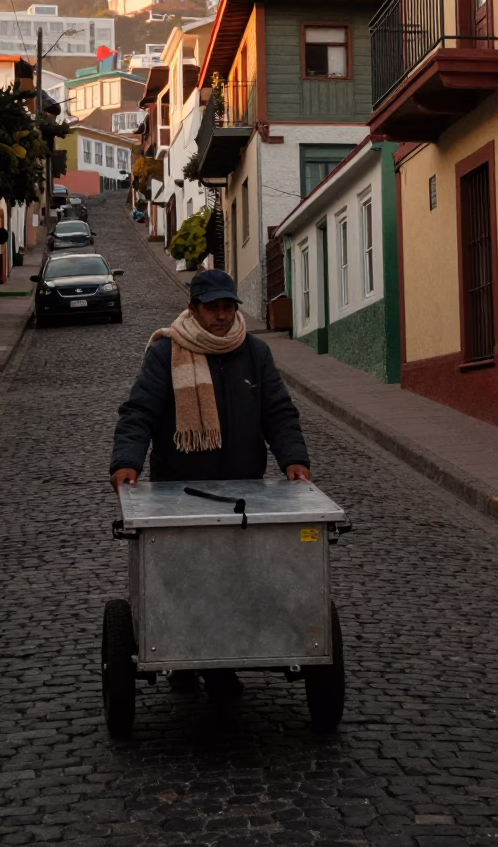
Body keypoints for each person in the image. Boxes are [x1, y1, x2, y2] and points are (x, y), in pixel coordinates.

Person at [110, 268, 311, 697]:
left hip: (243, 490)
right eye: (212, 308)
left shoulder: (255, 352)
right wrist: (127, 461)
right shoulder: (166, 353)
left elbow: (278, 411)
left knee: (238, 575)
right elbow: (140, 410)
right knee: (185, 577)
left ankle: (221, 663)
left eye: (227, 307)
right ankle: (186, 659)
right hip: (180, 491)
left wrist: (294, 459)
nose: (221, 317)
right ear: (193, 309)